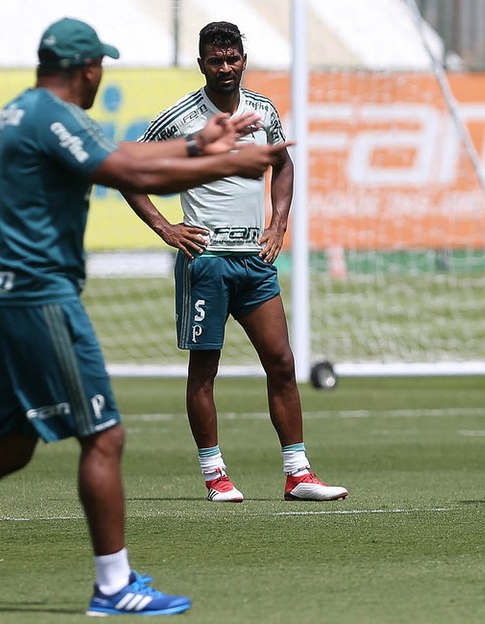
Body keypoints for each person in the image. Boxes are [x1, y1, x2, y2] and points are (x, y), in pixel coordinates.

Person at [0, 17, 290, 616]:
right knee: (104, 435)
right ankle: (114, 586)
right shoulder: (49, 116)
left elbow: (122, 155)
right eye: (100, 65)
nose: (100, 74)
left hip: (8, 293)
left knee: (13, 442)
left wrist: (197, 146)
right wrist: (219, 163)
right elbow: (129, 172)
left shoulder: (27, 111)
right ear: (85, 69)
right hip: (39, 297)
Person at [121, 21, 347, 504]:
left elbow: (283, 164)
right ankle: (215, 474)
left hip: (254, 260)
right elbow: (130, 172)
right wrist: (165, 227)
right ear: (201, 64)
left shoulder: (262, 110)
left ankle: (298, 473)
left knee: (282, 362)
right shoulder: (181, 119)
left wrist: (279, 221)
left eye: (232, 59)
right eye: (215, 61)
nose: (225, 68)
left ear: (244, 59)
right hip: (207, 261)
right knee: (205, 370)